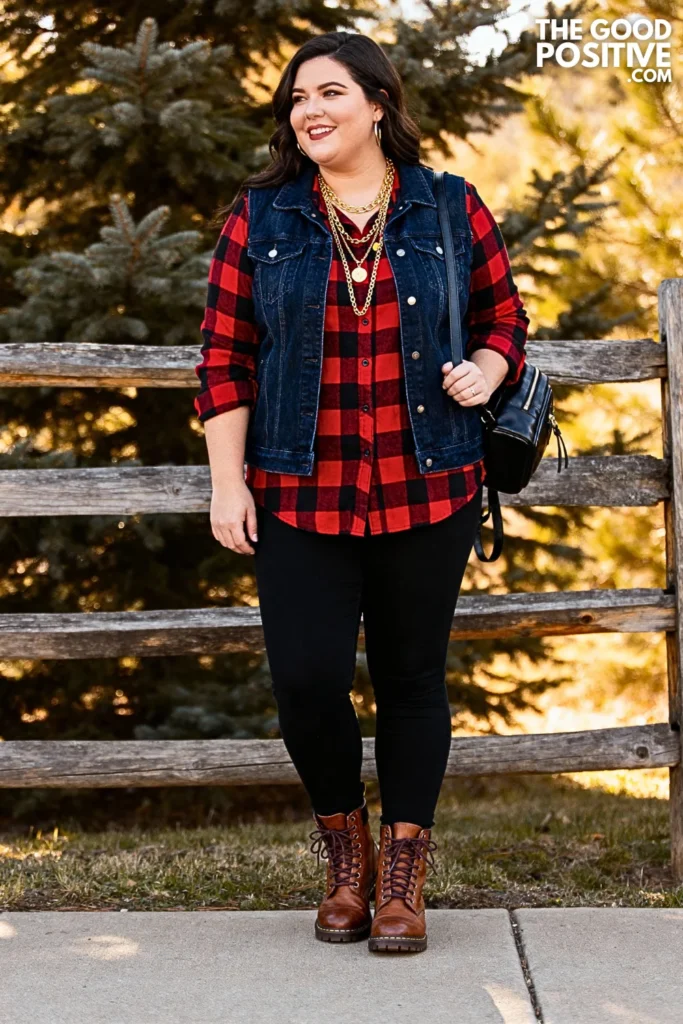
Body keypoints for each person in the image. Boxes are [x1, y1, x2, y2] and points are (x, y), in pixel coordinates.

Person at [194, 30, 529, 954]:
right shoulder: (259, 220)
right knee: (306, 682)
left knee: (412, 678)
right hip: (301, 490)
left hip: (429, 484)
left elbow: (507, 316)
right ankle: (345, 856)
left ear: (377, 104)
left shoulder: (447, 206)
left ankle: (401, 882)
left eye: (331, 92)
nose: (311, 110)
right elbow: (223, 360)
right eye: (298, 98)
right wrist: (230, 485)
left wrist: (490, 366)